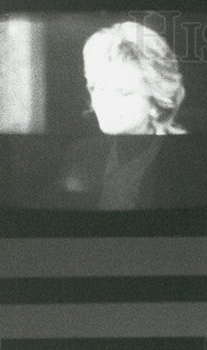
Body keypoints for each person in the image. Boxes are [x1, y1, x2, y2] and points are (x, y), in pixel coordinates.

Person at [59, 21, 190, 210]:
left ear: (157, 102)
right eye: (99, 88)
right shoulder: (82, 155)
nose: (105, 103)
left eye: (123, 92)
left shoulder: (186, 160)